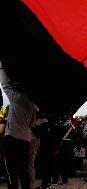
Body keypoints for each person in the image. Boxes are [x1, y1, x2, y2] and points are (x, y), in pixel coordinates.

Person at [0, 60, 37, 189]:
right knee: (23, 171)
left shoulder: (16, 97)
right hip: (25, 140)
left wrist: (1, 68)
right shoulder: (31, 104)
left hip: (12, 138)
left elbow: (4, 85)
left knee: (11, 172)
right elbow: (32, 124)